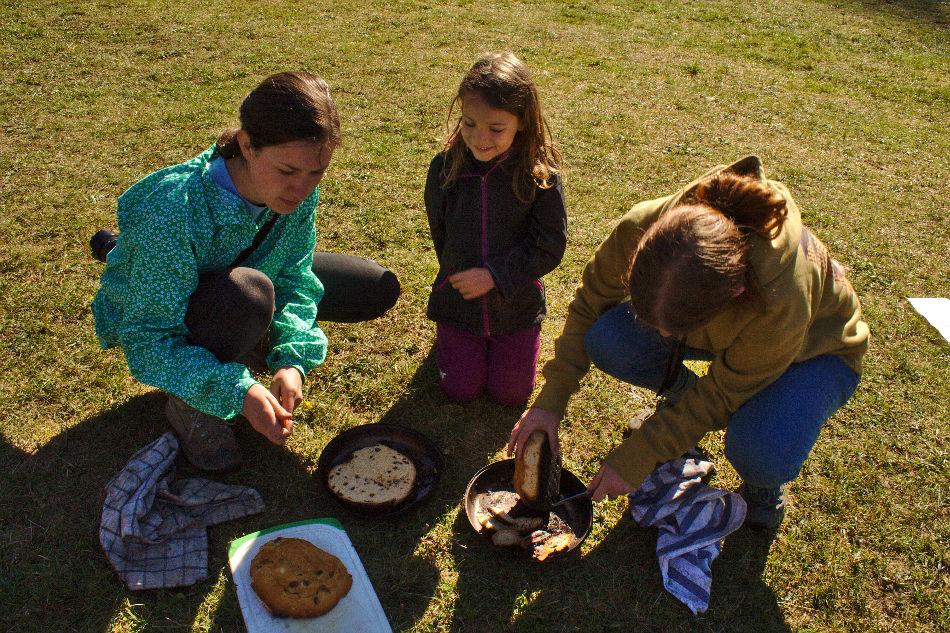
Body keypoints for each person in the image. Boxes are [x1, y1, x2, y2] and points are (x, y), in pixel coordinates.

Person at [507, 156, 869, 528]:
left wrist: (642, 453)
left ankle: (763, 484)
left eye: (673, 330)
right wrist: (551, 400)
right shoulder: (643, 224)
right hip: (736, 337)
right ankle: (682, 400)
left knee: (759, 449)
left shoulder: (781, 298)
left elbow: (722, 394)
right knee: (611, 337)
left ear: (734, 294)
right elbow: (590, 305)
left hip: (817, 351)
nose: (661, 338)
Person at [91, 71, 400, 472]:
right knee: (247, 295)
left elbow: (294, 275)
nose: (301, 189)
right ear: (246, 145)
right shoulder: (173, 212)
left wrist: (291, 358)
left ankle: (250, 333)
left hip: (249, 277)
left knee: (371, 287)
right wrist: (237, 392)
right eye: (288, 171)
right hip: (199, 296)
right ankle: (191, 404)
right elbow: (148, 340)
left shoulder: (296, 185)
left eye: (316, 173)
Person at [424, 52, 567, 406]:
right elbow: (440, 233)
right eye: (469, 123)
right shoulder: (445, 168)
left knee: (511, 395)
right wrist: (458, 276)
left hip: (516, 306)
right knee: (460, 390)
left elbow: (550, 245)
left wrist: (495, 276)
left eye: (496, 128)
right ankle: (453, 342)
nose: (479, 137)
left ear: (523, 121)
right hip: (460, 303)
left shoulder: (540, 175)